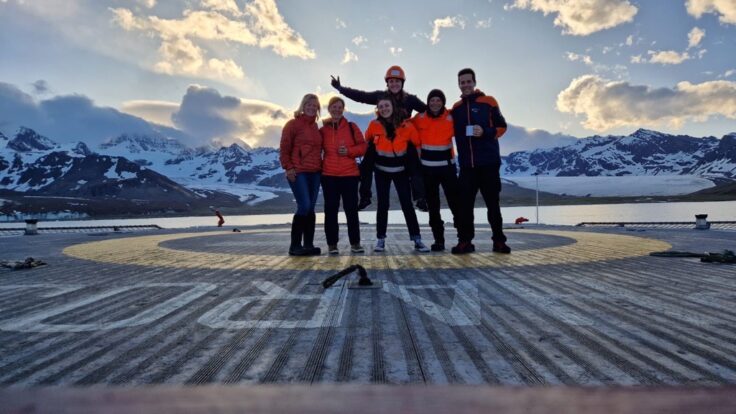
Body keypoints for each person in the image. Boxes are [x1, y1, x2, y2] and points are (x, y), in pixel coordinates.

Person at [330, 65, 428, 211]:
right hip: (382, 141)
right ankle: (365, 197)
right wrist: (341, 88)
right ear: (387, 83)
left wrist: (414, 125)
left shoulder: (410, 100)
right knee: (367, 161)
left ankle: (420, 198)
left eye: (397, 81)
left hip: (402, 142)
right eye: (391, 81)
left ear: (402, 83)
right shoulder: (380, 97)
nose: (394, 84)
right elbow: (361, 96)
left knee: (415, 162)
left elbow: (428, 112)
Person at [450, 68, 511, 254]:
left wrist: (485, 132)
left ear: (474, 82)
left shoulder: (489, 102)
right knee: (464, 207)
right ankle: (465, 241)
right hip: (467, 166)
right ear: (459, 84)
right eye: (462, 82)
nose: (465, 85)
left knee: (493, 204)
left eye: (468, 81)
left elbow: (502, 127)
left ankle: (498, 241)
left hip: (489, 164)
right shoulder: (456, 108)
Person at [365, 96, 430, 253]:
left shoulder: (406, 125)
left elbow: (416, 142)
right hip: (381, 171)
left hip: (400, 171)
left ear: (392, 106)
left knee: (406, 204)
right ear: (378, 110)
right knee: (383, 205)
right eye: (381, 107)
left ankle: (417, 239)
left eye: (386, 105)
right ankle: (380, 239)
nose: (384, 109)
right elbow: (368, 139)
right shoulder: (374, 125)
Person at [410, 89, 461, 252]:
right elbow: (405, 126)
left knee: (455, 204)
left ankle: (463, 238)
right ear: (428, 102)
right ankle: (439, 240)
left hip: (448, 168)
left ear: (443, 102)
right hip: (428, 170)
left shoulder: (451, 117)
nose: (435, 103)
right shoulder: (420, 118)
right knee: (433, 207)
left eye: (438, 100)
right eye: (432, 100)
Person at [320, 97, 368, 255]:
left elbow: (363, 147)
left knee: (351, 210)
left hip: (349, 175)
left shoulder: (351, 127)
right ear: (329, 109)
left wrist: (349, 151)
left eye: (340, 107)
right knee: (331, 210)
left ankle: (355, 243)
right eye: (334, 107)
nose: (337, 110)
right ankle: (332, 245)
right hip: (329, 175)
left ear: (343, 109)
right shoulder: (323, 130)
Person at [280, 93, 323, 256]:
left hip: (315, 172)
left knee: (311, 208)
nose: (312, 107)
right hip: (299, 172)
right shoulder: (292, 124)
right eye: (309, 105)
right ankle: (295, 245)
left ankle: (308, 245)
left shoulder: (315, 127)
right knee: (304, 205)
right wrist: (288, 168)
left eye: (315, 105)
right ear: (303, 106)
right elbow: (284, 149)